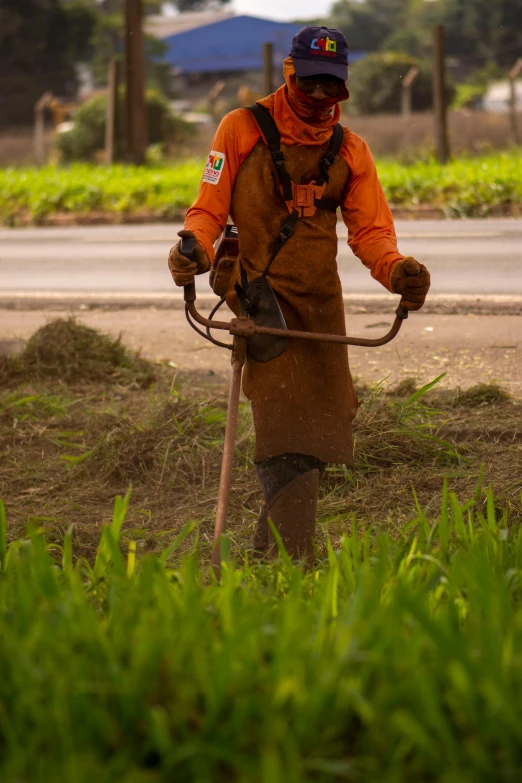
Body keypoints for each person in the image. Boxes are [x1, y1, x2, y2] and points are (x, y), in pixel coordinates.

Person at [168, 26, 431, 563]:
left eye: (330, 87)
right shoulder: (241, 128)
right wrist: (193, 246)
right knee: (286, 416)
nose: (319, 97)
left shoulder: (350, 150)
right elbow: (208, 207)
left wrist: (399, 270)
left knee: (324, 422)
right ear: (290, 73)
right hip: (257, 294)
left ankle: (272, 553)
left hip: (319, 301)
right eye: (310, 83)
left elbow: (372, 234)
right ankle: (295, 558)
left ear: (344, 86)